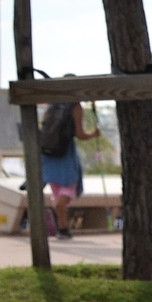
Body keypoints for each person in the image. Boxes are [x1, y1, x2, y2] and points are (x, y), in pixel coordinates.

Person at [38, 102, 100, 238]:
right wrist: (94, 134)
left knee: (58, 193)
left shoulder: (52, 106)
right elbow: (80, 134)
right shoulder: (75, 107)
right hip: (65, 153)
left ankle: (62, 227)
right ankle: (61, 227)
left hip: (49, 155)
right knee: (66, 191)